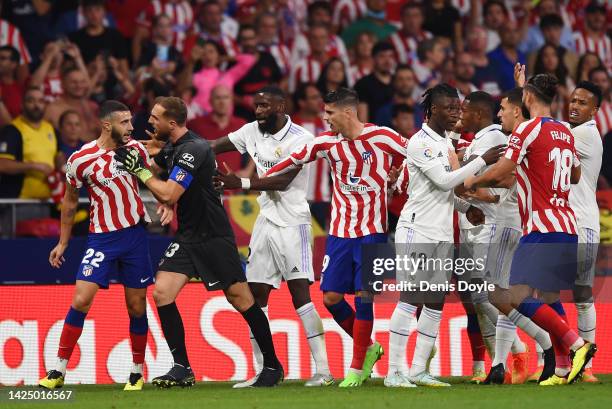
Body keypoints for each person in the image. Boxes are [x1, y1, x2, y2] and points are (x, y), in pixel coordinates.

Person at [120, 96, 283, 387]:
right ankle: (181, 367)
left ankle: (272, 366)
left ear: (172, 123)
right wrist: (152, 161)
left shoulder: (192, 149)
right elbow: (166, 175)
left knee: (241, 299)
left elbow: (169, 192)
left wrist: (141, 171)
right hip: (188, 236)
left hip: (213, 236)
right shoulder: (174, 147)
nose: (150, 122)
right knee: (162, 293)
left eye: (155, 118)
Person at [263, 88, 407, 387]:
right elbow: (291, 160)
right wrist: (248, 182)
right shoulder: (327, 143)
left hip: (373, 231)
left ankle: (356, 367)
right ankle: (368, 349)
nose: (325, 118)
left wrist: (398, 176)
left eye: (329, 113)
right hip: (340, 232)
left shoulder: (382, 137)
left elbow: (416, 156)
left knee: (365, 296)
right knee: (330, 298)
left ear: (348, 113)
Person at [465, 74, 596, 385]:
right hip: (567, 224)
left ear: (528, 99)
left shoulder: (527, 129)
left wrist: (471, 179)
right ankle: (563, 369)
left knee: (515, 295)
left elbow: (502, 172)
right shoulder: (565, 131)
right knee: (549, 297)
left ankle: (578, 345)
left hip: (541, 226)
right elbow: (575, 176)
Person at [210, 86, 332, 387]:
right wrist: (177, 146)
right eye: (256, 105)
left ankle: (324, 371)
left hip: (294, 223)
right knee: (255, 296)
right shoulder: (252, 130)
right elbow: (214, 145)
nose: (258, 110)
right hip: (265, 222)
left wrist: (237, 181)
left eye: (264, 106)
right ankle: (266, 370)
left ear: (280, 106)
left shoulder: (301, 139)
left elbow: (283, 180)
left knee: (300, 295)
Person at [39, 100, 165, 391]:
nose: (131, 127)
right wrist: (63, 241)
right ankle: (58, 370)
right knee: (81, 299)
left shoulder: (135, 149)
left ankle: (135, 371)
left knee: (136, 306)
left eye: (131, 121)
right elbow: (70, 201)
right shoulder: (80, 158)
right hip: (102, 239)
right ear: (107, 125)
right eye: (125, 122)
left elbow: (163, 148)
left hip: (134, 236)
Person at [384, 84, 501, 388]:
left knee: (435, 301)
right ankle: (394, 372)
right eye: (449, 108)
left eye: (457, 108)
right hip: (416, 229)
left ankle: (419, 369)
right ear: (433, 110)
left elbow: (445, 191)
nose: (455, 114)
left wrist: (464, 208)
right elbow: (443, 180)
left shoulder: (445, 143)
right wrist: (482, 160)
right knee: (410, 298)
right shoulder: (419, 142)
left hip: (441, 232)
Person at [472, 85, 554, 385]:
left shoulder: (523, 136)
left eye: (503, 109)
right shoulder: (538, 133)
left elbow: (507, 176)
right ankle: (498, 365)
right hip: (519, 223)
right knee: (502, 294)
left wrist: (472, 181)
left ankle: (547, 341)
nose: (499, 114)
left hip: (508, 224)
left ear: (517, 110)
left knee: (496, 295)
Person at [567, 81, 604, 383]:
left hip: (584, 224)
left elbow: (542, 137)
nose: (574, 106)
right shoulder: (573, 133)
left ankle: (587, 365)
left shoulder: (585, 135)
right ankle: (558, 362)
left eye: (582, 103)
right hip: (565, 223)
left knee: (582, 294)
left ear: (595, 110)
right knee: (547, 293)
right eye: (572, 101)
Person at [0, 86, 58, 199]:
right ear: (22, 104)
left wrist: (62, 164)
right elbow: (2, 165)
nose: (37, 105)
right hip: (18, 202)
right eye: (31, 101)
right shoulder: (12, 130)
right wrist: (34, 166)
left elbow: (58, 155)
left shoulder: (50, 129)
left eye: (40, 101)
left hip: (48, 201)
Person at [292, 83, 331, 229]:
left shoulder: (328, 123)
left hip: (322, 197)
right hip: (296, 199)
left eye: (319, 96)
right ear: (302, 102)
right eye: (314, 98)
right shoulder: (290, 127)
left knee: (321, 245)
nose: (319, 100)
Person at [187, 84, 246, 173]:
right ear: (210, 101)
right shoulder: (195, 124)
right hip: (205, 183)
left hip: (233, 184)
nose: (222, 102)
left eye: (226, 97)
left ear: (231, 101)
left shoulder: (241, 124)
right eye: (218, 98)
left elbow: (257, 146)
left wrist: (248, 171)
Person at [44, 67, 100, 141]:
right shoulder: (52, 110)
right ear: (63, 84)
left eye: (82, 82)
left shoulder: (93, 107)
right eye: (74, 82)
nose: (79, 86)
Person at [354, 41, 396, 122]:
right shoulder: (363, 84)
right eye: (382, 56)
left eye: (390, 56)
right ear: (373, 59)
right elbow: (362, 122)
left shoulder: (398, 82)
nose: (387, 61)